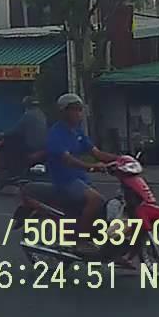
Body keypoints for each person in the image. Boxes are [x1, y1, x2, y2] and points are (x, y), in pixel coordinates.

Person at [45, 93, 121, 256]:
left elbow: (96, 153)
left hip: (81, 180)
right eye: (75, 109)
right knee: (96, 200)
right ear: (64, 112)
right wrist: (92, 167)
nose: (79, 113)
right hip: (65, 181)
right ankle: (80, 241)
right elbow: (67, 159)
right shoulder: (56, 133)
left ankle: (107, 247)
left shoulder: (78, 132)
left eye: (80, 109)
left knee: (108, 207)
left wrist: (121, 159)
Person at [4, 96, 47, 173]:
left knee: (13, 149)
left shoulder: (28, 115)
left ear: (27, 105)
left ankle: (15, 170)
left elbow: (16, 129)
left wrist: (4, 134)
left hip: (32, 146)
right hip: (42, 145)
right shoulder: (42, 114)